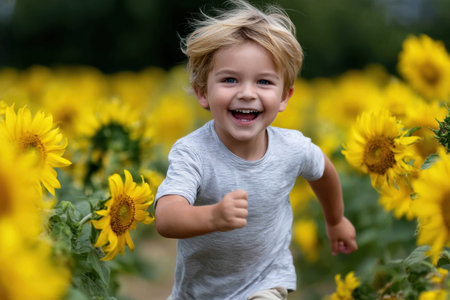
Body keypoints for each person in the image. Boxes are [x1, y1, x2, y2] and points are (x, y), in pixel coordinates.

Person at [154, 1, 358, 299]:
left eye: (264, 81)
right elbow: (166, 217)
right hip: (199, 291)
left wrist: (335, 220)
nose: (247, 93)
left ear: (284, 97)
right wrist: (212, 217)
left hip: (266, 280)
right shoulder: (192, 152)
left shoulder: (292, 147)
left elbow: (323, 170)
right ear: (202, 91)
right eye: (230, 79)